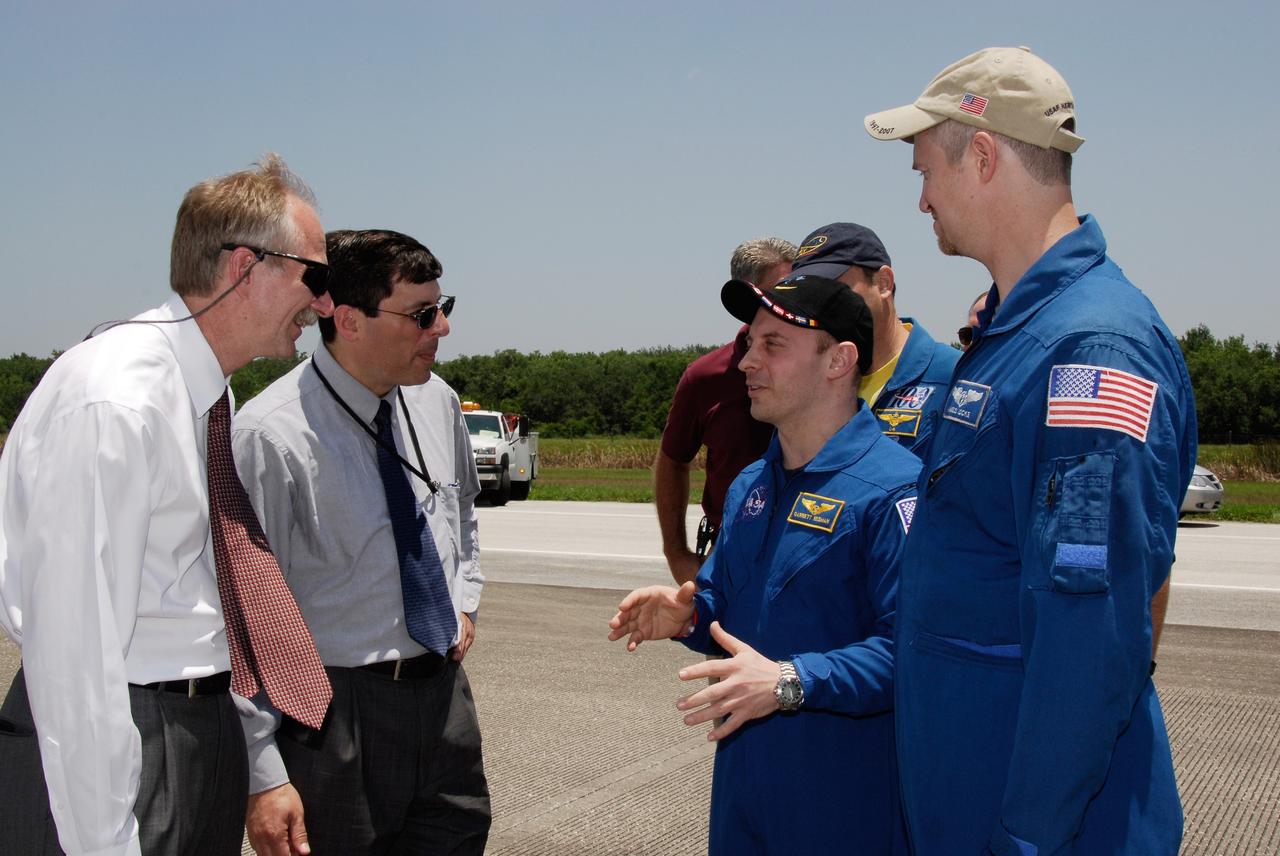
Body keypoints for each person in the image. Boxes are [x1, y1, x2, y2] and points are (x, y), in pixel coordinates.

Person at [864, 46, 1196, 854]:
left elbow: (1091, 629)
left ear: (980, 156)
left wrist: (1025, 840)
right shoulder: (1017, 332)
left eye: (924, 172)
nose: (920, 201)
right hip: (969, 799)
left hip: (1038, 826)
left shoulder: (1090, 352)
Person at [0, 154, 335, 856]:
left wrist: (248, 761)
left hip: (189, 730)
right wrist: (102, 840)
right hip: (116, 741)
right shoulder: (117, 399)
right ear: (247, 267)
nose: (326, 304)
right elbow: (75, 650)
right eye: (317, 277)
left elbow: (211, 598)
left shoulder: (208, 393)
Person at [611, 274, 921, 854]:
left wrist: (788, 682)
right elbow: (726, 611)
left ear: (839, 361)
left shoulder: (894, 489)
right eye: (750, 343)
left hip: (846, 807)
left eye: (772, 344)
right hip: (745, 799)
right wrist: (686, 616)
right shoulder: (751, 484)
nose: (747, 362)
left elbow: (912, 652)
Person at [232, 229, 490, 855]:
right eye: (422, 315)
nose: (442, 329)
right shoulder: (270, 436)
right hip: (332, 712)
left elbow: (460, 510)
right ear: (347, 319)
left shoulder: (436, 400)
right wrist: (263, 774)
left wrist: (463, 597)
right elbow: (242, 619)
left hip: (441, 695)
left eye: (443, 307)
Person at [655, 237, 796, 584]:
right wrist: (676, 553)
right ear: (744, 298)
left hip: (806, 552)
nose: (791, 305)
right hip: (730, 559)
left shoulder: (823, 365)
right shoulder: (705, 377)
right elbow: (672, 460)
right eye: (778, 293)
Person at [790, 221, 959, 456]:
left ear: (883, 283)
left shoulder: (953, 377)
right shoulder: (804, 382)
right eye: (809, 296)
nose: (819, 306)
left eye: (834, 289)